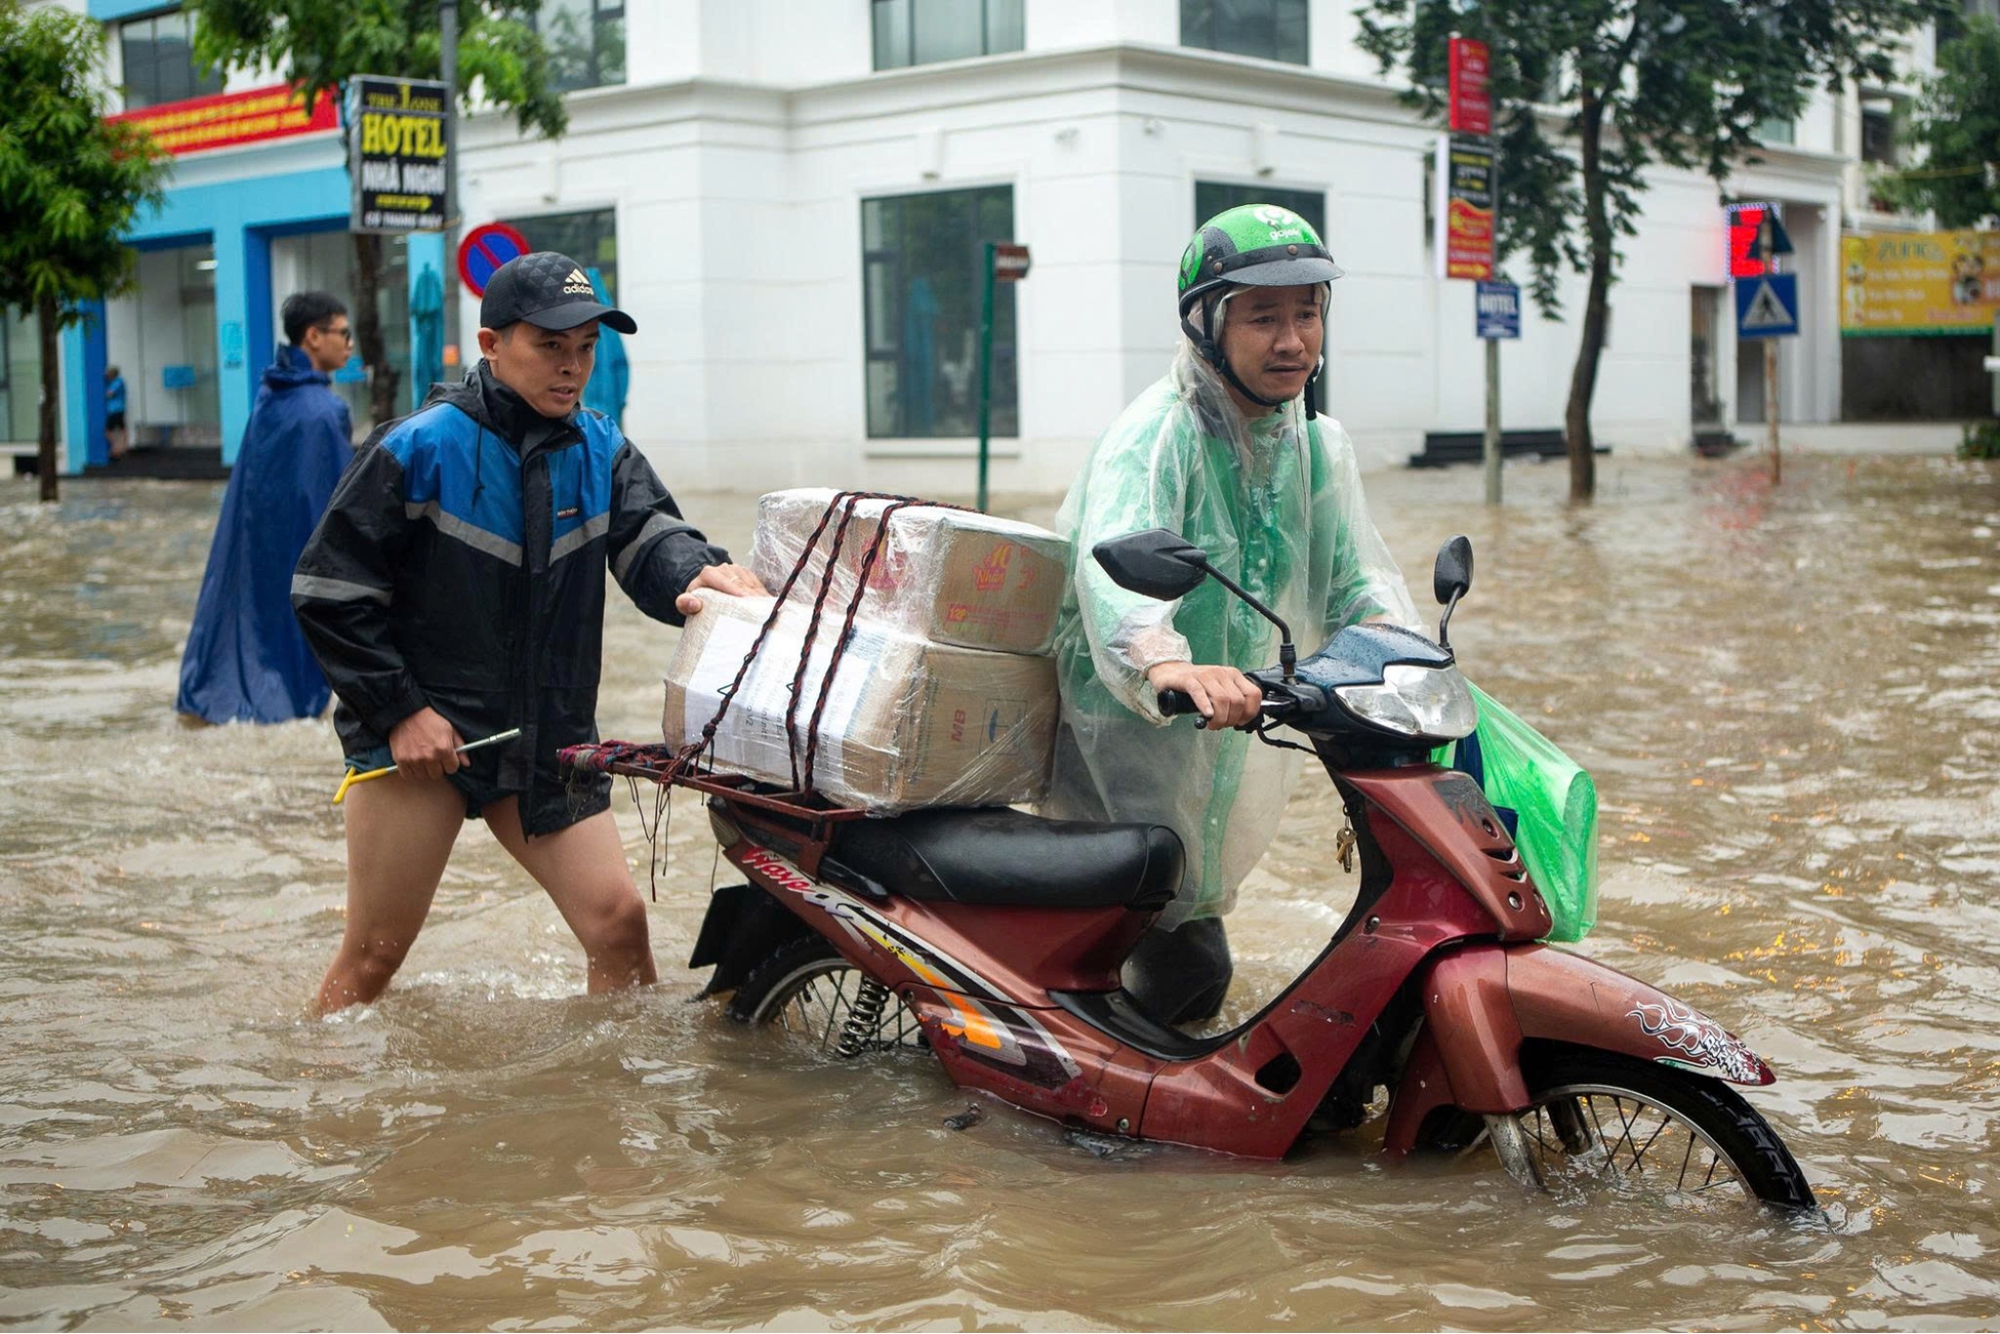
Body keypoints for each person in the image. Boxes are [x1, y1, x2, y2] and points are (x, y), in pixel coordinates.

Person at [291, 251, 766, 1014]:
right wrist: (400, 712)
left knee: (618, 926)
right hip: (423, 742)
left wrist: (699, 573)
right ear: (490, 345)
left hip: (547, 734)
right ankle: (317, 1100)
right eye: (550, 346)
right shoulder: (415, 448)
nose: (572, 367)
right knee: (374, 957)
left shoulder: (602, 447)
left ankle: (597, 1114)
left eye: (586, 348)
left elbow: (650, 533)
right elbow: (328, 592)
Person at [1043, 204, 1419, 1026]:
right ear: (1208, 324)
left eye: (1307, 313)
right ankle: (1087, 1135)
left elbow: (1357, 580)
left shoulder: (1316, 444)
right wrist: (1164, 661)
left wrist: (1412, 659)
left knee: (1191, 926)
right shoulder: (1157, 435)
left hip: (1235, 724)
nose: (1292, 341)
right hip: (1133, 729)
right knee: (1165, 950)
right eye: (1263, 317)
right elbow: (1117, 566)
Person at [175, 293, 356, 725]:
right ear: (313, 337)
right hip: (302, 553)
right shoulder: (324, 411)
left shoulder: (269, 396)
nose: (350, 345)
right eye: (344, 333)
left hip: (256, 549)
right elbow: (339, 501)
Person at [104, 365, 128, 460]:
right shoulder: (116, 382)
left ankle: (118, 448)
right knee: (120, 429)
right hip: (115, 409)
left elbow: (109, 394)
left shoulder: (117, 382)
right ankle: (119, 447)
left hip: (116, 409)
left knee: (111, 430)